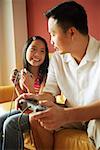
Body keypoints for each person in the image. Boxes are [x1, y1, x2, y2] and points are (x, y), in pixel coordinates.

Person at [15, 1, 100, 150]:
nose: (51, 40)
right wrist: (34, 98)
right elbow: (50, 93)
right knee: (37, 117)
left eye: (53, 34)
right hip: (70, 111)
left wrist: (66, 115)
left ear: (71, 32)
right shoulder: (57, 58)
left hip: (94, 116)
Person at [0, 36, 49, 150]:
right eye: (33, 49)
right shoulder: (24, 74)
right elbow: (23, 102)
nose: (37, 54)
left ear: (45, 56)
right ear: (26, 50)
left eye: (42, 51)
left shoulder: (47, 76)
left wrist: (31, 86)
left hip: (39, 111)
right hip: (26, 109)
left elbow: (41, 105)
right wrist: (16, 85)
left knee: (10, 124)